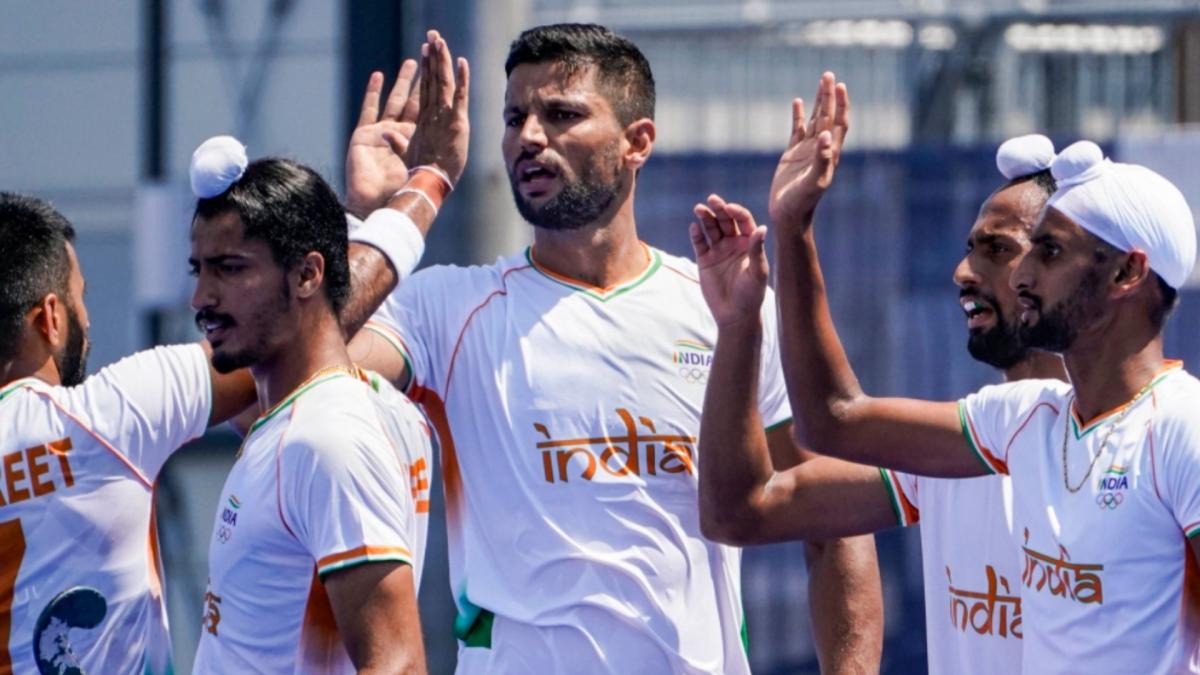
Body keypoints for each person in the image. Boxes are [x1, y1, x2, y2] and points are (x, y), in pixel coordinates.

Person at [346, 23, 882, 674]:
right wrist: (393, 208)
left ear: (638, 142)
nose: (530, 137)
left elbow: (835, 523)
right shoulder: (446, 307)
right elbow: (306, 372)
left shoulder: (728, 309)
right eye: (515, 117)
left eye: (562, 114)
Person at [761, 72, 1199, 672]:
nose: (1021, 277)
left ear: (1127, 274)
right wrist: (793, 228)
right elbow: (832, 421)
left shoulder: (1182, 428)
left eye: (1050, 252)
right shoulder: (1023, 417)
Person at [692, 133, 1068, 673]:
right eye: (970, 249)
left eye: (998, 249)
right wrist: (737, 323)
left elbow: (834, 418)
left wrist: (796, 233)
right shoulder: (965, 443)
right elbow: (739, 512)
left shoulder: (1157, 429)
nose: (964, 272)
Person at [185, 142, 437, 674]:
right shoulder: (303, 417)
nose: (202, 297)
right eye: (199, 271)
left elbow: (396, 664)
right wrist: (360, 211)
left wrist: (428, 182)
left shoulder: (326, 437)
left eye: (229, 269)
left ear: (306, 275)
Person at [0, 192, 255, 674]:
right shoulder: (105, 417)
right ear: (50, 318)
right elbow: (283, 336)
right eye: (81, 297)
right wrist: (406, 200)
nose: (88, 319)